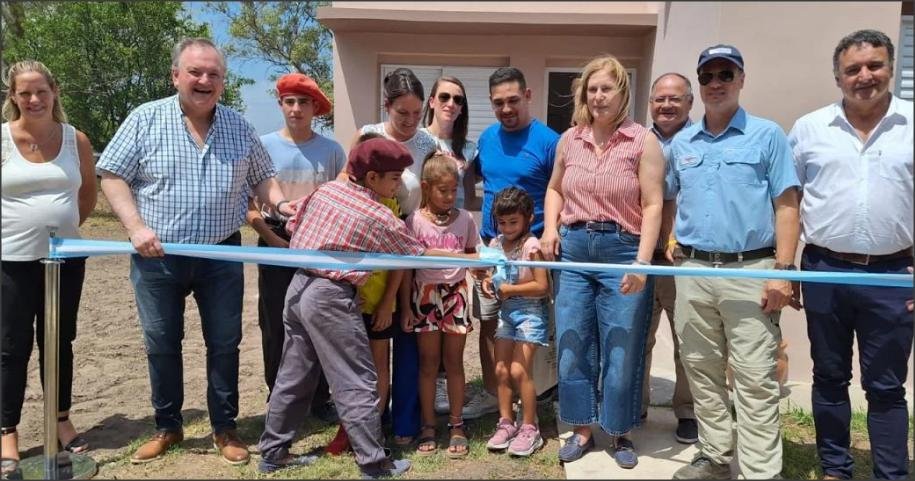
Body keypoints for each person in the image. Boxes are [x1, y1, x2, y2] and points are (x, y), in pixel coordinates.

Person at [96, 37, 294, 466]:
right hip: (157, 255)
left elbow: (263, 178)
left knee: (224, 342)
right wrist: (135, 227)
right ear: (176, 76)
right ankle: (168, 426)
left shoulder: (240, 126)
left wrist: (280, 204)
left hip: (222, 254)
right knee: (161, 342)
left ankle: (225, 427)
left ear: (223, 82)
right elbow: (111, 174)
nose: (205, 80)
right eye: (196, 72)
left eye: (214, 74)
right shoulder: (144, 119)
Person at [255, 138, 477, 477]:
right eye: (394, 177)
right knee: (357, 379)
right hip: (330, 296)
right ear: (372, 177)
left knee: (293, 374)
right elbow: (419, 252)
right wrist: (473, 256)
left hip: (298, 288)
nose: (399, 184)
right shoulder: (378, 214)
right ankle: (374, 463)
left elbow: (293, 224)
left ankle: (272, 453)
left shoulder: (327, 190)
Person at [665, 45, 800, 480]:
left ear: (741, 79)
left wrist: (783, 272)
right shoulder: (682, 141)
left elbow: (787, 205)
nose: (716, 83)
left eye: (726, 74)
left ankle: (762, 471)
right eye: (708, 76)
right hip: (695, 271)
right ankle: (715, 455)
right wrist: (670, 236)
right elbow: (667, 195)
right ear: (699, 85)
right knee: (701, 369)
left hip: (751, 271)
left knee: (755, 376)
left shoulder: (767, 135)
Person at [788, 29, 913, 480]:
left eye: (874, 65)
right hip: (825, 269)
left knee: (886, 386)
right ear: (838, 77)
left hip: (895, 274)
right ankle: (836, 468)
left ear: (890, 67)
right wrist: (787, 270)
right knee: (829, 377)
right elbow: (790, 201)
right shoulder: (809, 128)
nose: (865, 76)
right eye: (853, 69)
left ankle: (891, 474)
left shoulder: (912, 123)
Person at [540, 54, 665, 469]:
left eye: (606, 88)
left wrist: (642, 263)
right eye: (591, 89)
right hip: (574, 252)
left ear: (621, 93)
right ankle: (581, 428)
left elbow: (652, 205)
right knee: (573, 342)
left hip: (622, 251)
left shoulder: (642, 141)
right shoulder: (569, 139)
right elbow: (555, 189)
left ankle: (619, 429)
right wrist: (550, 229)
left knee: (621, 346)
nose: (598, 96)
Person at [1, 60, 97, 475]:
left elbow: (87, 196)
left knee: (59, 341)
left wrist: (61, 228)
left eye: (41, 90)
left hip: (65, 260)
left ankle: (60, 420)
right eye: (25, 93)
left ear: (54, 91)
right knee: (11, 348)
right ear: (13, 97)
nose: (34, 99)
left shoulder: (76, 140)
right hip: (12, 262)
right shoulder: (2, 140)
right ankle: (7, 431)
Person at [344, 67, 438, 446]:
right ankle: (371, 421)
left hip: (415, 254)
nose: (411, 122)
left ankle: (405, 422)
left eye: (418, 114)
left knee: (410, 336)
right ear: (387, 107)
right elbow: (345, 183)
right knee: (374, 341)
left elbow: (435, 195)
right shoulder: (369, 135)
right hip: (375, 257)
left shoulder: (429, 142)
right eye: (403, 114)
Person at [246, 72, 343, 421]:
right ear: (280, 105)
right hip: (274, 241)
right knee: (275, 323)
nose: (297, 109)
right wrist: (272, 239)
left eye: (304, 102)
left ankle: (319, 398)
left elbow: (339, 200)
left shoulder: (331, 151)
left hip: (318, 244)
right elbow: (250, 205)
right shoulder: (262, 145)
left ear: (315, 107)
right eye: (290, 101)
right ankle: (279, 397)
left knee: (318, 319)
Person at [465, 66, 559, 420]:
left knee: (533, 325)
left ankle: (536, 396)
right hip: (493, 248)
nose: (507, 109)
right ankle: (494, 393)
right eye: (499, 103)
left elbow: (559, 191)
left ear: (528, 96)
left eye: (513, 101)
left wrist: (551, 232)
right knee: (491, 322)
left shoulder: (549, 141)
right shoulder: (487, 139)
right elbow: (471, 178)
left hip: (532, 250)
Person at [324, 131, 403, 456]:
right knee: (350, 368)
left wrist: (387, 302)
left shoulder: (390, 205)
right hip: (348, 301)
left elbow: (401, 259)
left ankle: (371, 428)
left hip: (380, 303)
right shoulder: (345, 200)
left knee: (378, 364)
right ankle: (349, 427)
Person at [404, 153, 480, 458]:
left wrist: (484, 275)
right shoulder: (414, 221)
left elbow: (476, 256)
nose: (449, 196)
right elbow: (407, 268)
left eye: (453, 190)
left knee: (454, 363)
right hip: (424, 296)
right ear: (426, 187)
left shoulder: (465, 219)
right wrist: (407, 307)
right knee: (428, 363)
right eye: (442, 190)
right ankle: (428, 425)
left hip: (456, 295)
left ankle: (457, 424)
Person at [640, 72, 698, 443]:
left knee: (687, 342)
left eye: (674, 99)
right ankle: (635, 405)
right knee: (637, 338)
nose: (666, 105)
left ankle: (687, 411)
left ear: (689, 103)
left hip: (686, 261)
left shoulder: (702, 141)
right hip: (644, 255)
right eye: (659, 99)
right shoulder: (636, 141)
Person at [482, 187, 551, 457]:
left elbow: (542, 286)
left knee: (519, 371)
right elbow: (492, 274)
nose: (508, 227)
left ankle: (530, 428)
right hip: (506, 312)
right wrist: (488, 282)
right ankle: (506, 422)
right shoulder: (496, 244)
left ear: (528, 219)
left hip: (530, 313)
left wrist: (509, 290)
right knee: (500, 369)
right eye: (502, 222)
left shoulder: (532, 247)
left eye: (514, 222)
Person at [421, 76, 479, 210]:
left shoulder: (469, 149)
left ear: (461, 109)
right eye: (444, 97)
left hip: (454, 226)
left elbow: (470, 200)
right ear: (431, 102)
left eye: (458, 100)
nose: (451, 104)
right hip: (420, 225)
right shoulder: (417, 138)